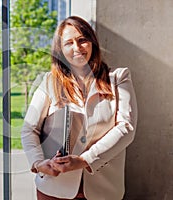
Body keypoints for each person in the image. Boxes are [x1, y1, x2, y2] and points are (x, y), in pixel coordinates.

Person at [21, 16, 137, 200]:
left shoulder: (118, 78)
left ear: (92, 42)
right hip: (54, 189)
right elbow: (29, 128)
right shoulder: (50, 82)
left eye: (82, 40)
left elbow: (126, 127)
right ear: (61, 50)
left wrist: (85, 160)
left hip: (103, 191)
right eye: (69, 43)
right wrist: (38, 162)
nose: (77, 48)